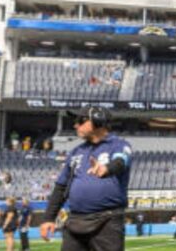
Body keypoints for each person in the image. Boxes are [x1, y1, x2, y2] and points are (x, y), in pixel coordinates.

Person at [39, 106, 132, 251]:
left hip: (107, 222)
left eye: (80, 121)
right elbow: (61, 187)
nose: (76, 125)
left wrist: (107, 169)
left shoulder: (119, 145)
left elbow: (121, 161)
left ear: (98, 121)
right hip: (75, 222)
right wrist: (48, 218)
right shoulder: (76, 152)